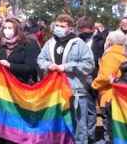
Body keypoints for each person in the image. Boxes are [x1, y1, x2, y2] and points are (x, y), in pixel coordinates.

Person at [37, 14, 94, 144]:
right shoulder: (50, 43)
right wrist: (48, 65)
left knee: (78, 126)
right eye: (57, 25)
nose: (59, 28)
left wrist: (66, 67)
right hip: (55, 90)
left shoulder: (78, 44)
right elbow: (40, 59)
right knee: (59, 125)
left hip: (75, 90)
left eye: (62, 26)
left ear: (70, 28)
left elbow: (89, 64)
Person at [91, 31, 127, 144]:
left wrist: (93, 84)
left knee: (110, 131)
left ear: (110, 42)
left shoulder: (110, 55)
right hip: (122, 96)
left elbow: (106, 76)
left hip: (109, 96)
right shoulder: (126, 53)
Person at [0, 18, 39, 85]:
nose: (6, 30)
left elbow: (31, 67)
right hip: (3, 86)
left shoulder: (28, 44)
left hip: (21, 85)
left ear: (17, 30)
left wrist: (10, 65)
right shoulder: (0, 43)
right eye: (5, 28)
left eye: (10, 28)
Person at [75, 16, 99, 142]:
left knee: (92, 108)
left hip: (95, 77)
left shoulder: (101, 40)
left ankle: (91, 134)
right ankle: (83, 136)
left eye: (86, 30)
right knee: (82, 108)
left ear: (92, 29)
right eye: (81, 30)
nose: (83, 33)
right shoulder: (77, 40)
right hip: (80, 78)